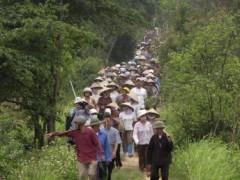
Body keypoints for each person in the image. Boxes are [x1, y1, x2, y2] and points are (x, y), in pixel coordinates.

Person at [47, 116, 104, 180]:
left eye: (76, 123)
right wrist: (53, 134)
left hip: (92, 158)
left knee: (92, 174)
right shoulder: (75, 132)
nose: (75, 124)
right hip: (81, 158)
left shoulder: (90, 132)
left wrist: (101, 154)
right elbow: (63, 133)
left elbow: (97, 143)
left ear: (81, 123)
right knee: (82, 176)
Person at [101, 113, 122, 180]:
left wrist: (114, 152)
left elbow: (117, 142)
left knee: (110, 169)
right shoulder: (100, 130)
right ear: (103, 121)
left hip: (111, 152)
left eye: (109, 121)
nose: (108, 123)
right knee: (103, 169)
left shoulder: (115, 131)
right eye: (106, 121)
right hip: (102, 152)